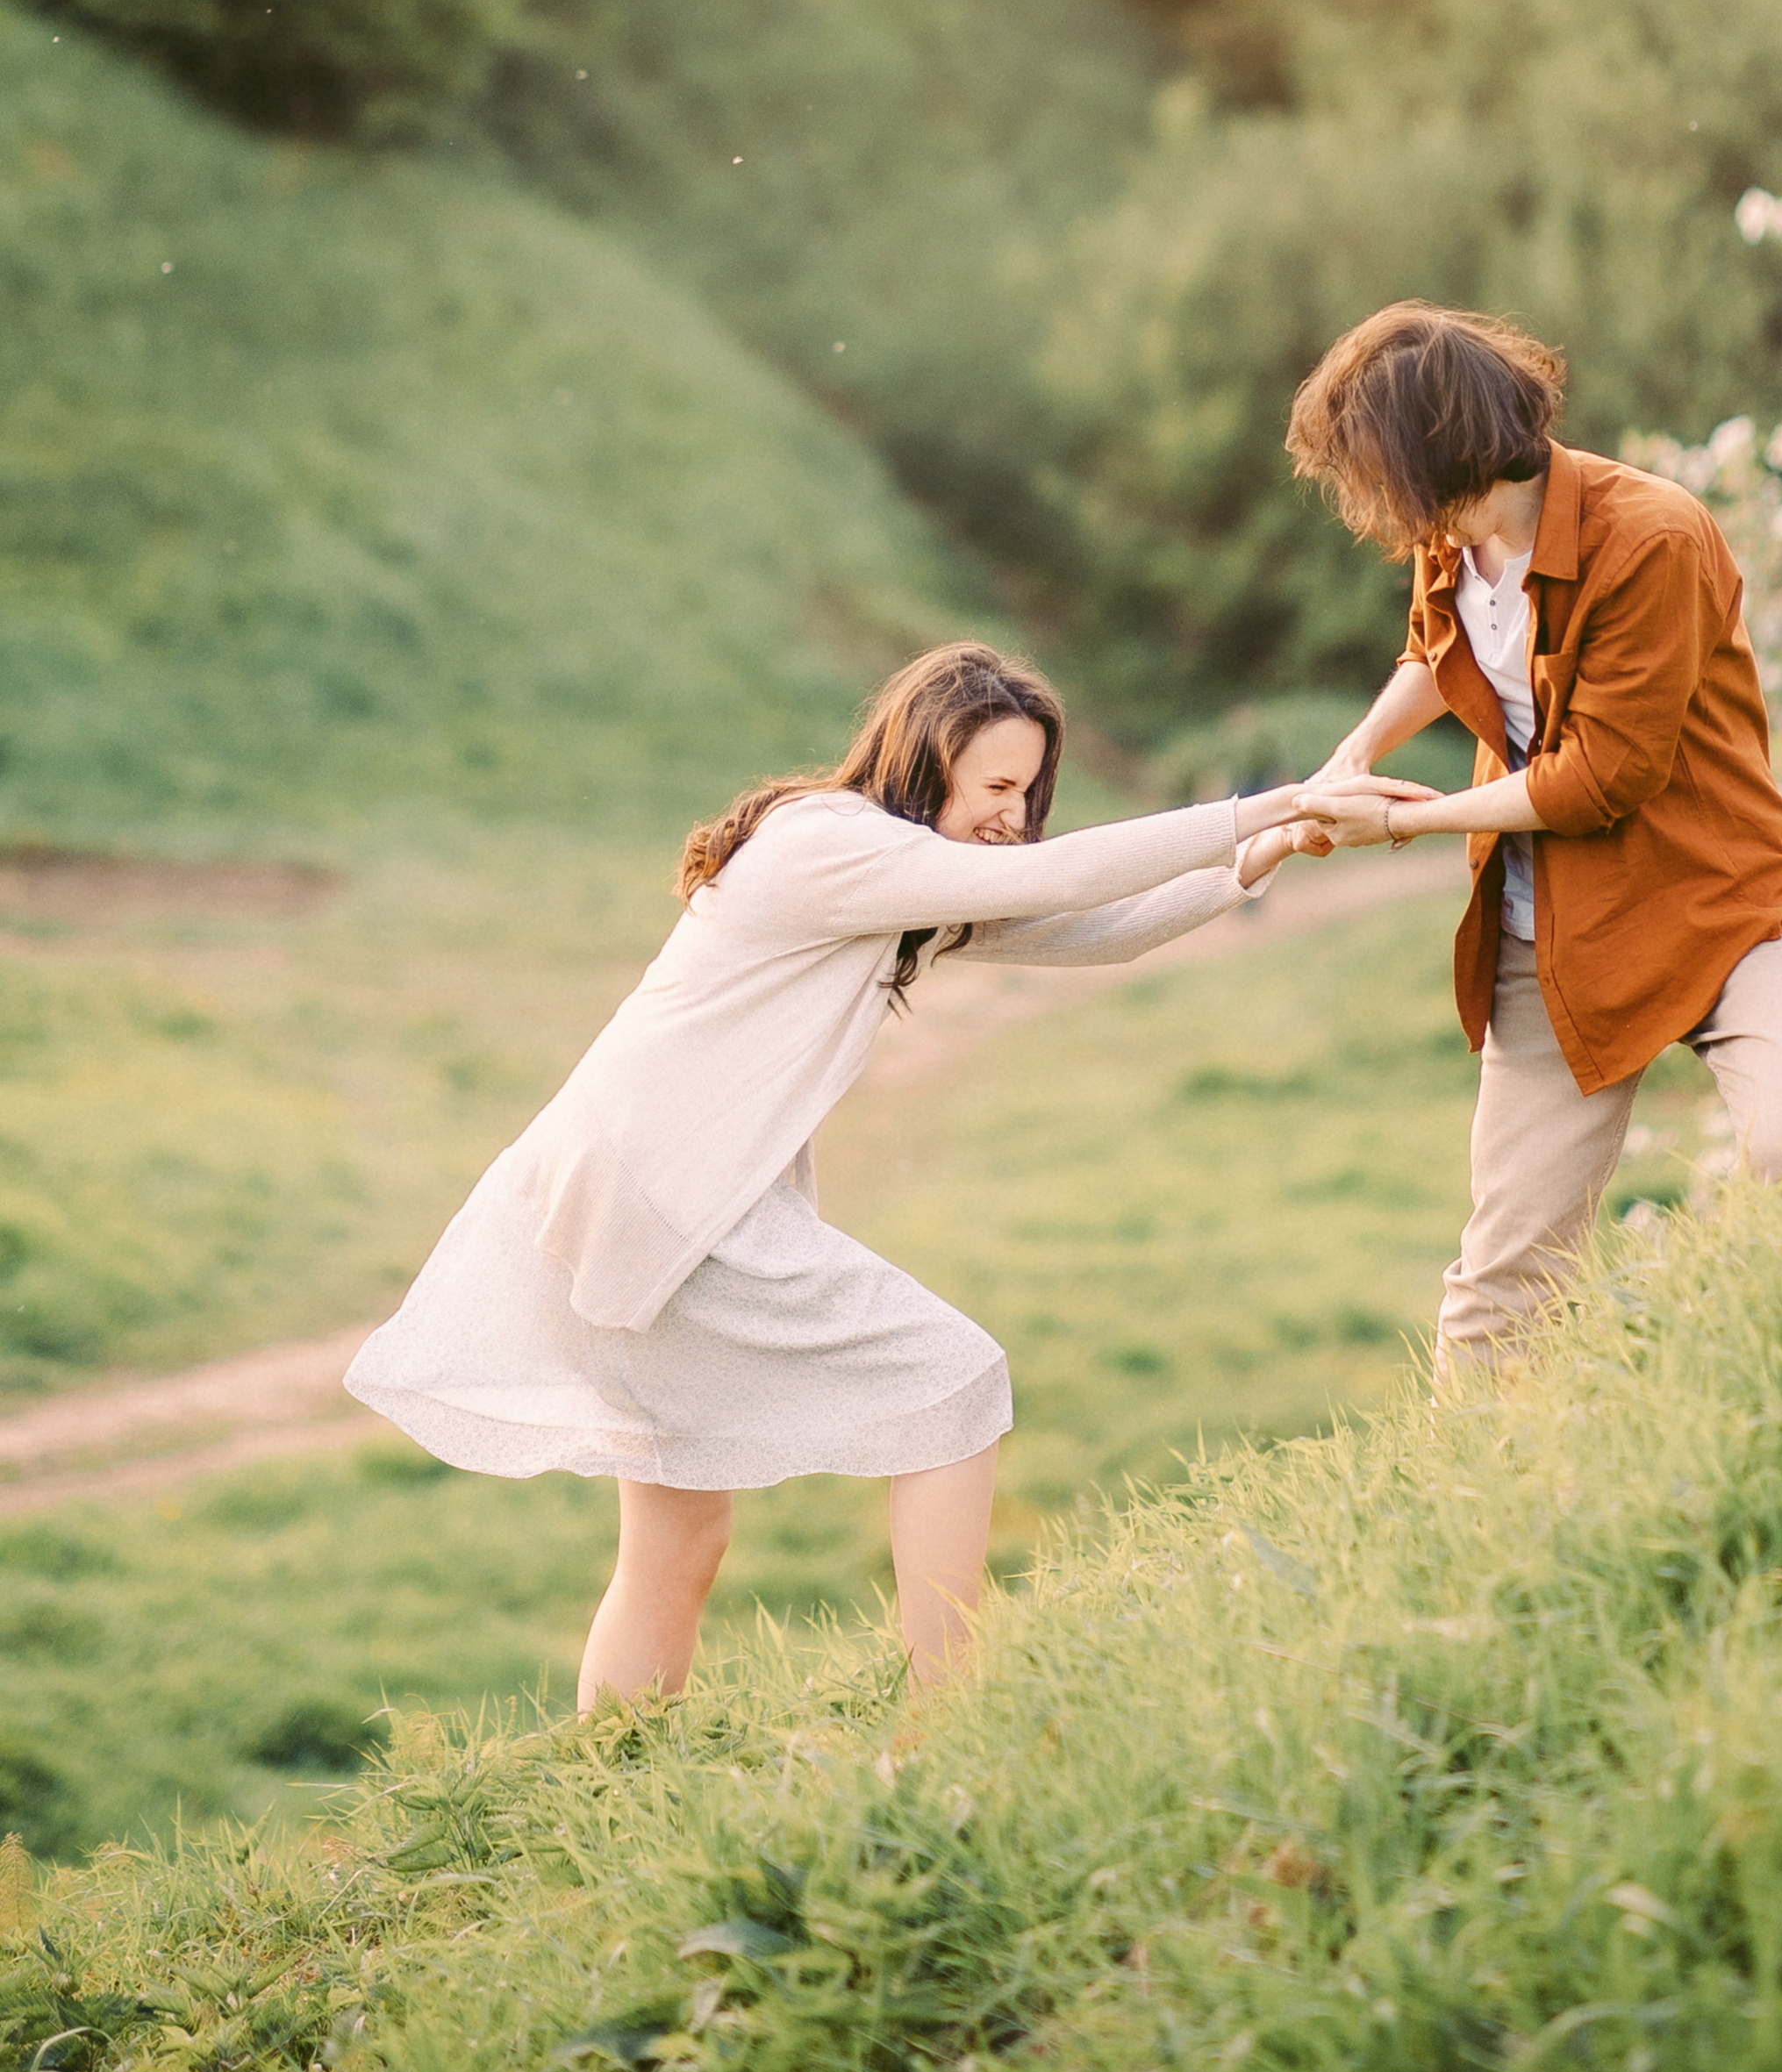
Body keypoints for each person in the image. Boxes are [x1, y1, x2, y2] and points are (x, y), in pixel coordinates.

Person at [347, 641, 1369, 1706]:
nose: (1014, 818)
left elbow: (1086, 933)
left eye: (1030, 793)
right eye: (999, 788)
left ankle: (607, 1775)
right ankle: (942, 1717)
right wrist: (1267, 803)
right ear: (927, 759)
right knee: (954, 1381)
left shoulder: (888, 875)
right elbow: (1051, 876)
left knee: (678, 1539)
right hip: (672, 1199)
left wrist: (1264, 853)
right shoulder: (828, 845)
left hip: (623, 1191)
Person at [1288, 302, 1782, 1374]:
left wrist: (1401, 821)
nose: (1374, 506)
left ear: (1440, 452)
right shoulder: (1449, 537)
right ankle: (1477, 1523)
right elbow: (1435, 651)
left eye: (1377, 474)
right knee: (1502, 1288)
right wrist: (1349, 759)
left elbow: (1600, 778)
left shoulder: (1652, 535)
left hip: (1724, 909)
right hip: (1551, 939)